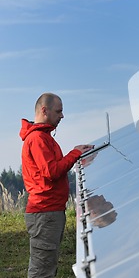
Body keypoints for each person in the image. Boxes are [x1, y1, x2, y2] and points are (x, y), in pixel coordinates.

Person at [19, 93, 94, 278]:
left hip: (48, 212)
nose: (62, 116)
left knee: (46, 266)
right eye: (59, 111)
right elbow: (51, 171)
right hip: (44, 212)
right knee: (41, 271)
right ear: (44, 110)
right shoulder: (38, 139)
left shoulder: (43, 137)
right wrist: (74, 153)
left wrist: (75, 153)